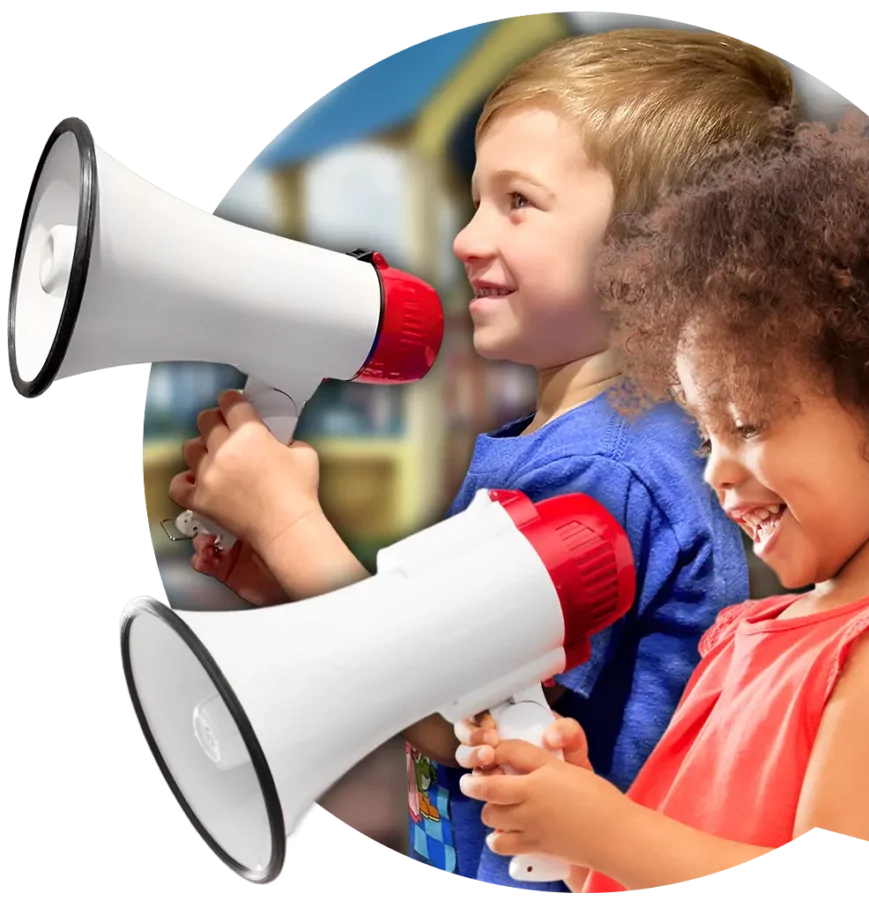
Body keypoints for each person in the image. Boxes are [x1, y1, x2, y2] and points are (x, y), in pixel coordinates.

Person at [168, 28, 796, 891]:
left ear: (658, 255)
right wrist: (291, 588)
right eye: (475, 201)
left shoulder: (603, 471)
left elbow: (476, 727)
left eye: (518, 203)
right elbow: (451, 657)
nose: (466, 239)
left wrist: (288, 524)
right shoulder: (589, 443)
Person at [452, 113, 869, 891]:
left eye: (748, 423)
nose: (718, 473)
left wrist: (606, 828)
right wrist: (582, 822)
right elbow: (668, 863)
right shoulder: (755, 632)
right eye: (707, 432)